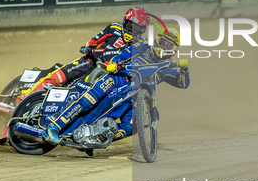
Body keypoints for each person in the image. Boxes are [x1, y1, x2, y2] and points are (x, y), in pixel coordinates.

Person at [45, 27, 190, 143]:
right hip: (117, 79)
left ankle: (96, 138)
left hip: (134, 98)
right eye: (162, 41)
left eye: (168, 44)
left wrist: (185, 70)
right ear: (157, 40)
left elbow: (182, 84)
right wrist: (114, 63)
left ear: (174, 49)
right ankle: (54, 126)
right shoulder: (142, 46)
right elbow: (122, 55)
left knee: (129, 127)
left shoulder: (167, 67)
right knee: (87, 101)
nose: (163, 46)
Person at [19, 7, 151, 101]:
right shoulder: (114, 28)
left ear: (142, 30)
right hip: (90, 61)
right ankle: (23, 99)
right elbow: (94, 40)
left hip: (109, 76)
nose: (132, 30)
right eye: (130, 25)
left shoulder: (140, 45)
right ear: (124, 22)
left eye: (137, 28)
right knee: (58, 78)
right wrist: (87, 46)